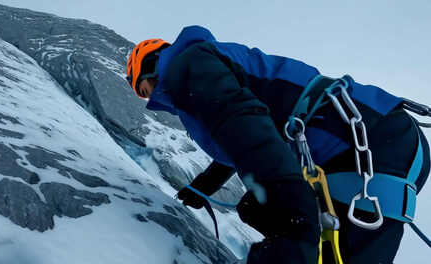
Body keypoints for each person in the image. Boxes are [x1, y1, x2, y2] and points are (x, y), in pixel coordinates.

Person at [125, 25, 430, 264]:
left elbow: (245, 124)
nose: (150, 98)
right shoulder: (200, 75)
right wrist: (203, 186)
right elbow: (237, 136)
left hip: (374, 140)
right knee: (255, 207)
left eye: (143, 88)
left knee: (311, 239)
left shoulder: (190, 64)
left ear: (149, 66)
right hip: (370, 143)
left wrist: (294, 217)